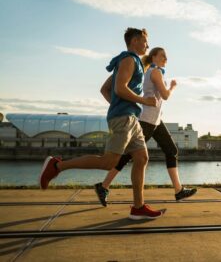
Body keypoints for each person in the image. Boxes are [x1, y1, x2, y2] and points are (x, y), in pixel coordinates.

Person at [39, 28, 164, 220]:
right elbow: (119, 89)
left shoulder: (128, 61)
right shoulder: (129, 60)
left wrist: (119, 104)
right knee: (108, 163)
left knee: (141, 158)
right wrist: (142, 100)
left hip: (130, 118)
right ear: (136, 40)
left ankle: (138, 207)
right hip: (123, 119)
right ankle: (57, 166)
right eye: (146, 41)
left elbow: (106, 89)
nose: (147, 45)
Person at [94, 47, 197, 207]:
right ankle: (103, 186)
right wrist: (172, 86)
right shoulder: (155, 72)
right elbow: (165, 95)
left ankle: (178, 190)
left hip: (155, 121)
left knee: (171, 150)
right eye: (163, 55)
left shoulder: (149, 71)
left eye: (166, 57)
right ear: (154, 56)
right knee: (128, 155)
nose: (165, 59)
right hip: (147, 120)